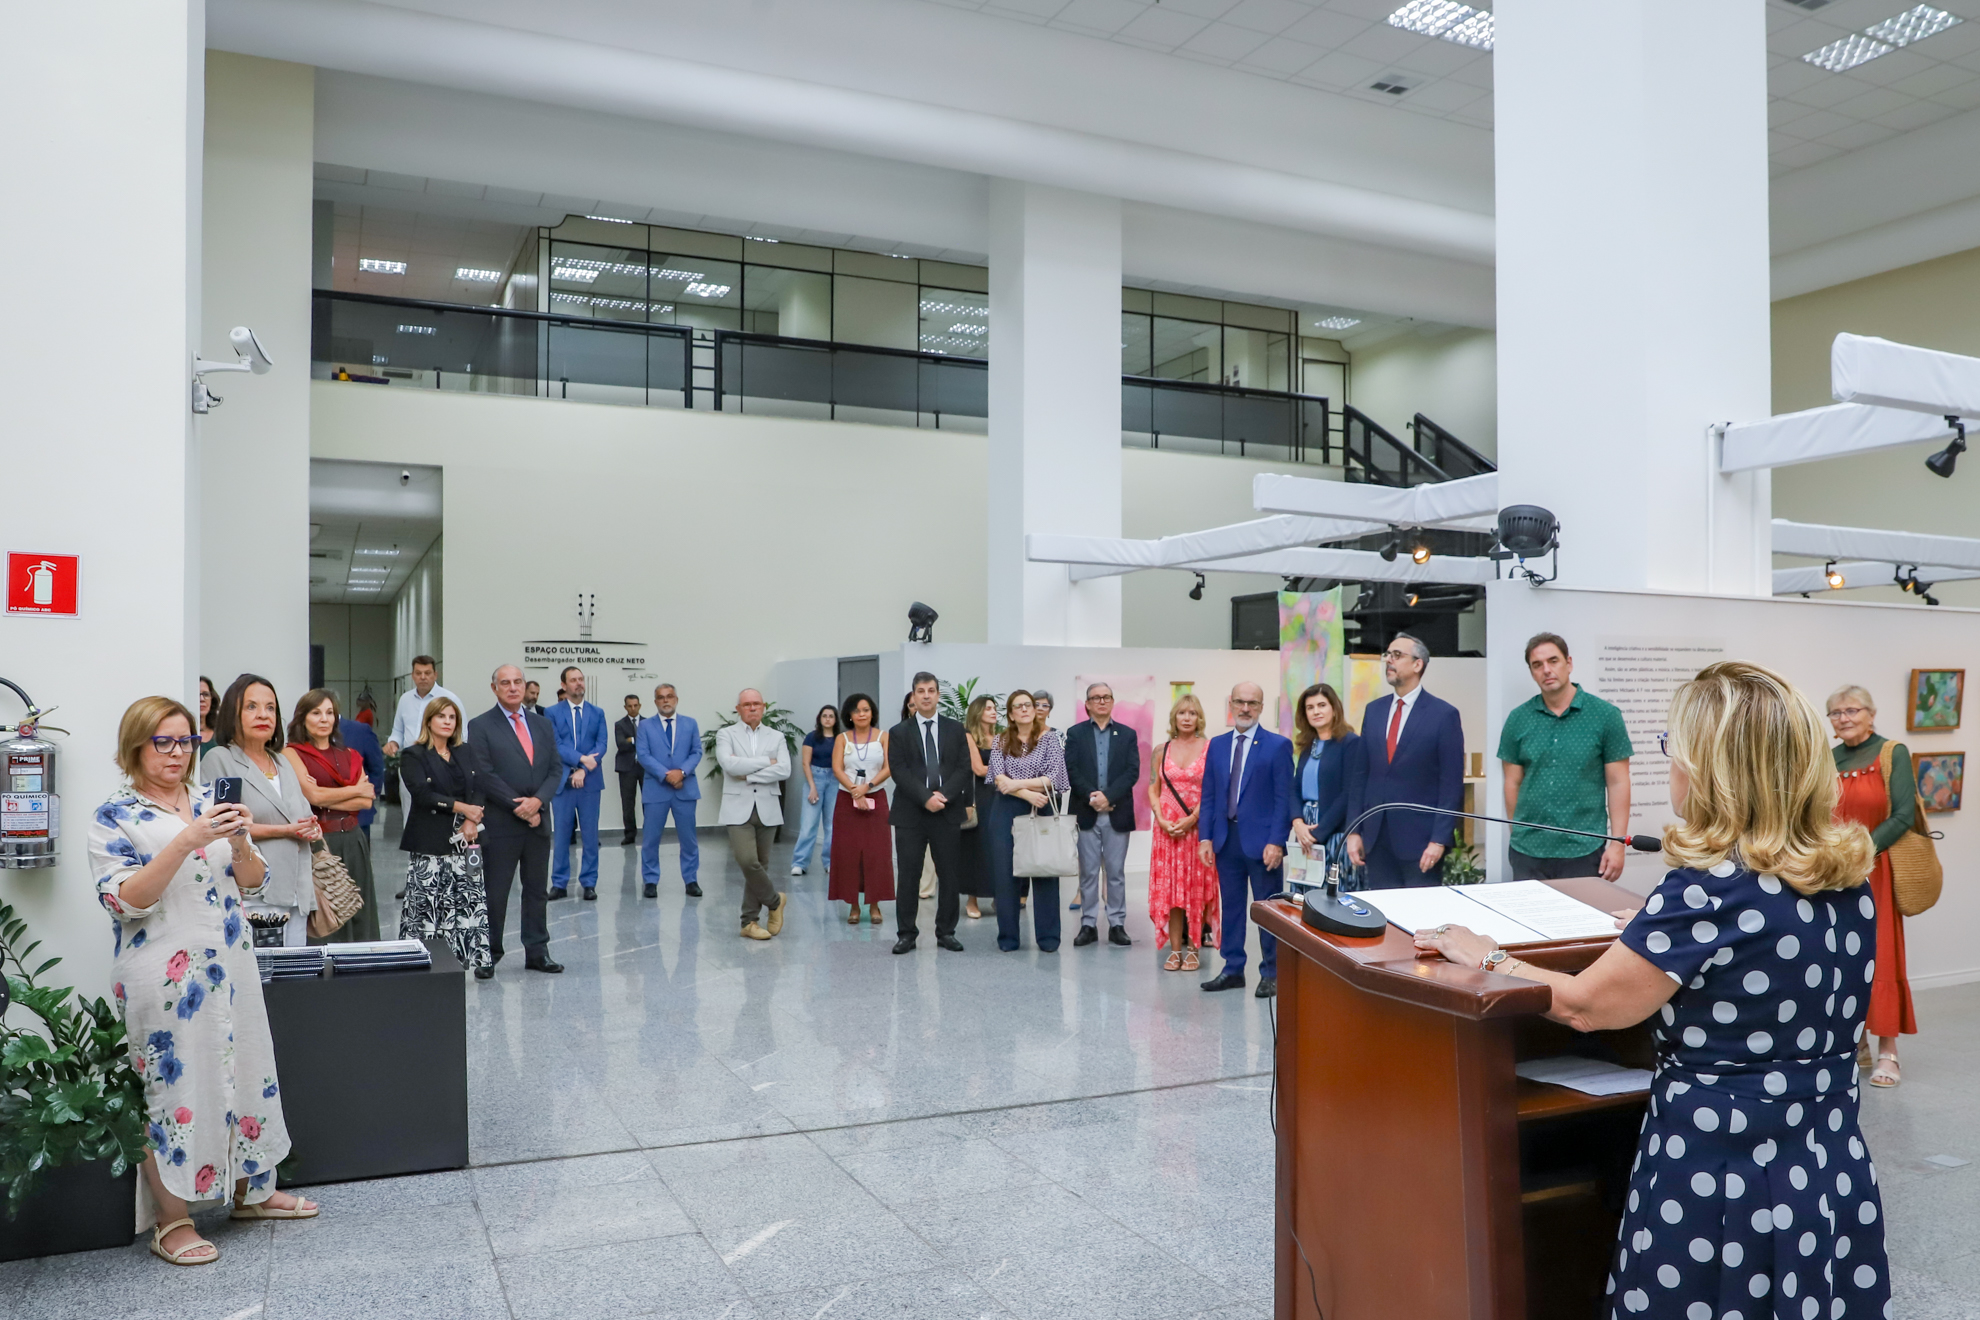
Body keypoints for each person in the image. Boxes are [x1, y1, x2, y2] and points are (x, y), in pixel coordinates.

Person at [1413, 661, 1888, 1317]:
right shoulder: (1846, 878)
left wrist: (1486, 954)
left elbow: (1586, 1007)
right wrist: (1661, 936)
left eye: (1674, 748)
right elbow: (1769, 964)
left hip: (1722, 1171)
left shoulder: (1707, 890)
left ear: (1712, 769)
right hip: (1825, 1162)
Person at [90, 696, 318, 1268]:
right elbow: (125, 900)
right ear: (135, 746)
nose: (176, 753)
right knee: (174, 1087)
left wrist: (239, 840)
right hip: (164, 976)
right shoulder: (115, 814)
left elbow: (253, 880)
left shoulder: (208, 799)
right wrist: (186, 840)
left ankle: (250, 1193)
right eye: (162, 742)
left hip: (230, 965)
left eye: (186, 741)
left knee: (246, 1071)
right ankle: (172, 1220)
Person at [1828, 684, 1919, 1088]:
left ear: (1871, 714)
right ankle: (1857, 1044)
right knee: (1841, 956)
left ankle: (1888, 1051)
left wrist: (1861, 851)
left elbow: (1902, 815)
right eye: (1836, 713)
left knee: (1881, 954)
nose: (1844, 718)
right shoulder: (1829, 759)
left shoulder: (1891, 752)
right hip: (1835, 873)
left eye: (1852, 710)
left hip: (1875, 869)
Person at [1498, 632, 1633, 881]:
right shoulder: (1518, 719)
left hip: (1583, 847)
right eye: (1537, 665)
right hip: (1528, 850)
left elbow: (1618, 782)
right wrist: (1517, 831)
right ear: (1531, 672)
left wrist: (1618, 844)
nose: (1546, 670)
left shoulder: (1605, 715)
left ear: (1568, 663)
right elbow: (1512, 782)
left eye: (1553, 661)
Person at [202, 675, 320, 946]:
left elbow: (301, 814)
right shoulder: (219, 759)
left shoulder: (282, 761)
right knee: (260, 972)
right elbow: (224, 826)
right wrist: (287, 830)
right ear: (233, 714)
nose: (263, 715)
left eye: (270, 708)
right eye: (251, 707)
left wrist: (312, 828)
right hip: (255, 893)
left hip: (297, 888)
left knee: (296, 970)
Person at [464, 665, 565, 973]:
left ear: (525, 686)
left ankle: (537, 952)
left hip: (538, 822)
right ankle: (489, 954)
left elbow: (555, 769)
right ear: (494, 688)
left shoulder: (542, 724)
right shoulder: (480, 725)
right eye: (505, 683)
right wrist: (520, 807)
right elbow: (484, 774)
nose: (512, 687)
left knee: (536, 891)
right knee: (496, 892)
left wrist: (538, 802)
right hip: (501, 824)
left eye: (517, 682)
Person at [1197, 681, 1294, 998]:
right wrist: (1205, 837)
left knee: (1268, 911)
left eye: (1252, 703)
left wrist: (1277, 841)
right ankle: (1233, 968)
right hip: (1227, 839)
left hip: (1263, 844)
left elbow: (1283, 799)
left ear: (1262, 707)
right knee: (1233, 908)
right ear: (1231, 704)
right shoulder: (1217, 745)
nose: (1245, 708)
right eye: (1240, 701)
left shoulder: (1277, 746)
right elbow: (1209, 796)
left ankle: (1272, 972)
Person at [1344, 633, 1465, 888]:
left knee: (1418, 912)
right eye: (1388, 654)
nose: (1389, 660)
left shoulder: (1443, 715)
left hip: (1421, 843)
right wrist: (1353, 831)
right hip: (1376, 838)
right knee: (1382, 911)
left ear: (1418, 664)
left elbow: (1451, 785)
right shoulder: (1374, 711)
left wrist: (1439, 840)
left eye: (1397, 655)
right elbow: (1360, 775)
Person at [398, 696, 492, 979]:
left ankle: (464, 961)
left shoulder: (465, 751)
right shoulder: (413, 755)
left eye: (452, 717)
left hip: (467, 842)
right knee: (427, 905)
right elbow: (423, 795)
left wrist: (471, 819)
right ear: (429, 721)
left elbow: (480, 785)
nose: (448, 722)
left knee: (468, 902)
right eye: (441, 716)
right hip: (430, 843)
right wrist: (463, 808)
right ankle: (422, 962)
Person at [282, 689, 380, 943]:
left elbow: (366, 800)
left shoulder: (350, 755)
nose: (324, 719)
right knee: (326, 913)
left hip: (353, 840)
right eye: (316, 713)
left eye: (329, 713)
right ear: (303, 717)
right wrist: (355, 790)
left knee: (358, 913)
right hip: (318, 843)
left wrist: (333, 795)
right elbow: (313, 797)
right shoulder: (292, 753)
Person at [890, 671, 972, 955]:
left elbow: (964, 768)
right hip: (910, 813)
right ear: (913, 696)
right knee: (909, 875)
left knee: (949, 874)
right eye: (920, 691)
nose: (926, 696)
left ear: (938, 695)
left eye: (931, 691)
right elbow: (899, 771)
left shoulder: (955, 729)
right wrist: (925, 798)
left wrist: (943, 796)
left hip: (946, 811)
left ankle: (946, 932)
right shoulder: (899, 732)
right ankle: (906, 934)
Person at [987, 689, 1070, 953]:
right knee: (1005, 875)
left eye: (1028, 705)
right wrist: (1025, 793)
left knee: (1044, 871)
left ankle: (1048, 938)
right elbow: (998, 777)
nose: (1024, 709)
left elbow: (1053, 777)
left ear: (1035, 711)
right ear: (1011, 714)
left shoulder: (1050, 740)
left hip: (1041, 807)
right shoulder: (1000, 740)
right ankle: (1008, 938)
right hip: (1006, 810)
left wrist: (1016, 785)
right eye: (1017, 706)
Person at [1147, 693, 1219, 972]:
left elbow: (1214, 789)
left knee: (1195, 891)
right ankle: (1175, 950)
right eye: (1182, 713)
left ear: (1199, 718)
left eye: (1192, 713)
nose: (1187, 718)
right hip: (1167, 831)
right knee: (1172, 893)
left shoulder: (1210, 749)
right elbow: (1153, 788)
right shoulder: (1161, 750)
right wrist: (1161, 819)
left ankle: (1194, 948)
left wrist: (1192, 819)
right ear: (1174, 717)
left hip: (1198, 829)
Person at [1065, 682, 1138, 948]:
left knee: (1116, 872)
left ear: (1112, 701)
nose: (1102, 701)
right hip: (1087, 812)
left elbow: (1132, 771)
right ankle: (1088, 924)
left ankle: (1117, 924)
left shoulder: (1127, 734)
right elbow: (1072, 770)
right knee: (1088, 872)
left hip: (1116, 812)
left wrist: (1108, 797)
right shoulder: (1075, 734)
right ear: (1087, 704)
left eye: (1106, 697)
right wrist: (1092, 797)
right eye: (1096, 698)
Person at [716, 689, 791, 940]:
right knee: (748, 861)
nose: (752, 708)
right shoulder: (726, 734)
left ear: (763, 707)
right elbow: (729, 765)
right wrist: (768, 762)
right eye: (746, 704)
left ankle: (749, 922)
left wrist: (748, 774)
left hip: (768, 806)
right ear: (738, 709)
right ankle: (775, 901)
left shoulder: (777, 736)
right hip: (737, 808)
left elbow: (785, 770)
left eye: (756, 704)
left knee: (761, 865)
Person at [829, 693, 894, 925]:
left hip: (876, 798)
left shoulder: (883, 737)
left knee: (877, 853)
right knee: (848, 854)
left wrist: (868, 786)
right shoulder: (842, 738)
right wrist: (854, 789)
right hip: (847, 801)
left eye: (866, 710)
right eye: (856, 711)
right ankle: (853, 905)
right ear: (849, 715)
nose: (862, 714)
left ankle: (874, 904)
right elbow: (837, 768)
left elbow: (889, 767)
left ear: (872, 713)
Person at [546, 665, 608, 900]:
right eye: (573, 680)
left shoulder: (597, 712)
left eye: (581, 679)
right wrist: (581, 760)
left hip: (589, 782)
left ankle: (589, 883)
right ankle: (559, 883)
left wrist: (583, 770)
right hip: (563, 781)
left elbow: (601, 744)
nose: (578, 683)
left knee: (590, 836)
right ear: (564, 685)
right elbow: (556, 745)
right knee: (561, 835)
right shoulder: (551, 712)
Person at [1290, 682, 1361, 888]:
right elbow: (1295, 789)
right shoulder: (1307, 745)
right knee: (1303, 896)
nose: (1316, 712)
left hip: (1334, 832)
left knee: (1332, 896)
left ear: (1334, 709)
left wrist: (1318, 833)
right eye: (1310, 707)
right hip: (1304, 830)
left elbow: (1349, 793)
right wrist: (1298, 823)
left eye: (1322, 705)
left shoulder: (1350, 743)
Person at [636, 683, 702, 901]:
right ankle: (650, 881)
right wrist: (667, 775)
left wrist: (681, 773)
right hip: (656, 789)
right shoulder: (645, 726)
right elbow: (643, 755)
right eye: (661, 697)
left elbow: (696, 752)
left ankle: (691, 880)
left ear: (676, 699)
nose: (666, 700)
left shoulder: (690, 724)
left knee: (689, 839)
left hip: (685, 789)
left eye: (670, 696)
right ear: (655, 702)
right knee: (651, 839)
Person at [960, 693, 1001, 921]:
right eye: (988, 708)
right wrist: (1007, 772)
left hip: (1001, 795)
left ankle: (998, 894)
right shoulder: (968, 736)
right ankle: (972, 899)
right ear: (977, 712)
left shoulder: (1000, 737)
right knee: (977, 847)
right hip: (980, 797)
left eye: (994, 708)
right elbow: (979, 769)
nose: (993, 712)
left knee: (999, 847)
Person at [792, 704, 839, 877]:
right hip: (815, 779)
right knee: (808, 824)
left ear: (835, 720)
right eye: (824, 716)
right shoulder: (811, 737)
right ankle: (800, 862)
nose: (827, 719)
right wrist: (812, 787)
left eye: (831, 716)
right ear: (820, 718)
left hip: (834, 780)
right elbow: (806, 763)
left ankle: (830, 862)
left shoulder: (840, 738)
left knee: (832, 825)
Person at [384, 656, 461, 760]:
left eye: (427, 673)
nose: (423, 677)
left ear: (435, 675)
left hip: (440, 759)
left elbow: (461, 733)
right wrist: (393, 743)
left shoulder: (450, 699)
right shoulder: (405, 699)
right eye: (418, 673)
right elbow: (398, 731)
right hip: (410, 759)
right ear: (412, 675)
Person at [339, 710, 386, 844]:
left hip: (358, 816)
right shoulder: (304, 731)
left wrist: (368, 795)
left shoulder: (360, 731)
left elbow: (376, 768)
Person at [614, 693, 643, 847]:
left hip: (645, 767)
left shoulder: (648, 723)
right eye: (630, 706)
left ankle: (650, 832)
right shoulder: (620, 724)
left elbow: (653, 744)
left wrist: (631, 739)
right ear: (625, 707)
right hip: (626, 767)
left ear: (640, 706)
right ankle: (630, 835)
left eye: (635, 705)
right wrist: (637, 740)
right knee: (627, 803)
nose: (633, 708)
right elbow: (621, 744)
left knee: (649, 801)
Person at [196, 675, 218, 753]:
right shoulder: (183, 735)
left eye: (206, 694)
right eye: (197, 694)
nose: (201, 699)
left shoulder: (221, 735)